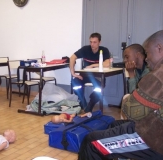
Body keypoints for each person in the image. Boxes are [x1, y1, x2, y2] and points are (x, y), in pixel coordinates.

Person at [78, 30, 163, 160]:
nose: (147, 58)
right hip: (153, 126)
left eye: (148, 53)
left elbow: (131, 111)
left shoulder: (158, 75)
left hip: (154, 139)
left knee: (91, 142)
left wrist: (132, 76)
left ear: (159, 48)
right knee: (113, 125)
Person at [70, 33, 110, 113]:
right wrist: (73, 72)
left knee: (100, 87)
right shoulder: (85, 49)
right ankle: (83, 103)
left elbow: (107, 64)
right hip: (85, 76)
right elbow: (72, 57)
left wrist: (92, 66)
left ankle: (90, 105)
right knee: (75, 82)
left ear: (99, 42)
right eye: (91, 42)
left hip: (97, 76)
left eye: (94, 42)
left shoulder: (104, 50)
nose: (92, 44)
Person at [121, 44, 150, 119]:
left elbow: (135, 96)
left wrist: (131, 74)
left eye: (127, 57)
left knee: (127, 98)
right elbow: (133, 94)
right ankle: (126, 124)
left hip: (149, 105)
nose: (125, 60)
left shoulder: (149, 71)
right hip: (141, 103)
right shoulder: (137, 70)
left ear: (138, 55)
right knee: (126, 97)